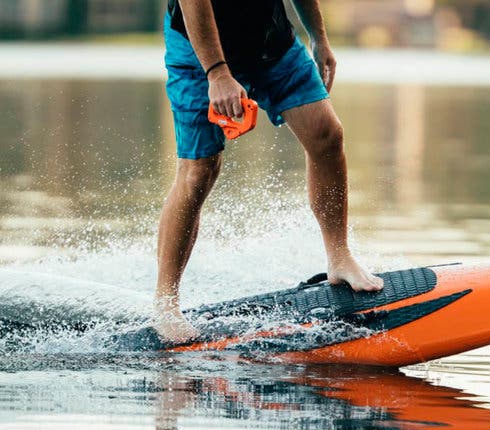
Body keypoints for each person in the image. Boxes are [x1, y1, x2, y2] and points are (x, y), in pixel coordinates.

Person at [155, 0, 384, 342]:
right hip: (197, 49)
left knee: (326, 134)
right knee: (199, 171)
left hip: (269, 43)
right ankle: (165, 303)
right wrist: (217, 73)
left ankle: (339, 258)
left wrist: (318, 37)